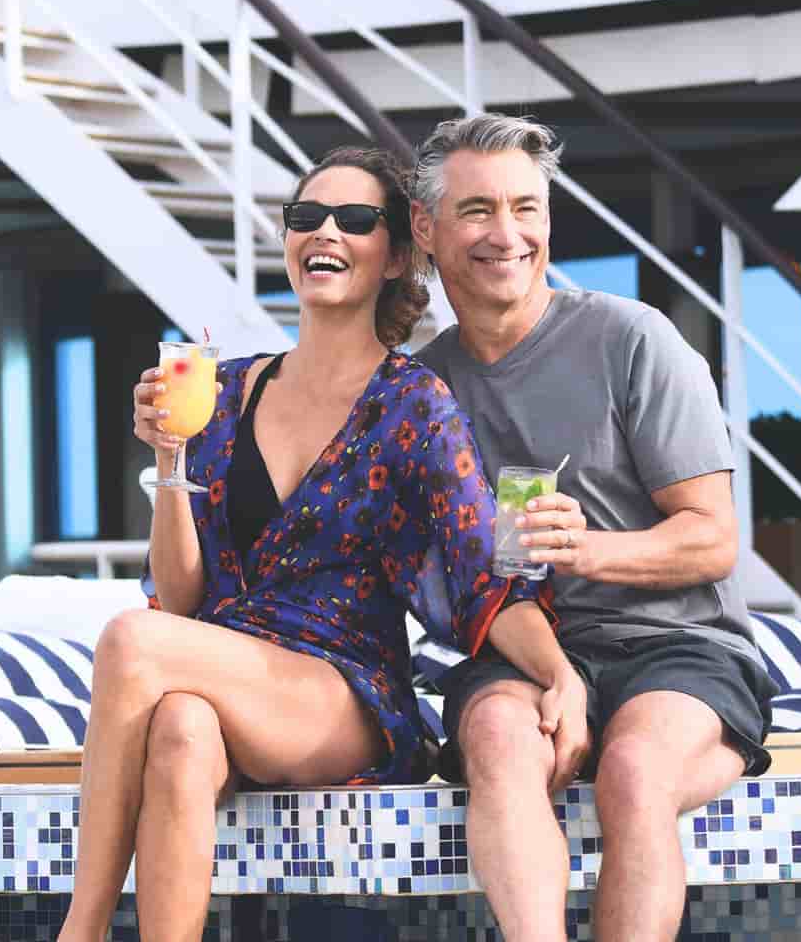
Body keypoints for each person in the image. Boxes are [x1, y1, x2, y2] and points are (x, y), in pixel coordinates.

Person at [54, 146, 553, 942]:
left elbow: (480, 570)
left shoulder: (414, 404)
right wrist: (171, 458)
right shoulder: (222, 390)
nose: (326, 232)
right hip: (227, 669)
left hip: (344, 690)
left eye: (355, 220)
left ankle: (78, 931)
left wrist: (560, 677)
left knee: (128, 639)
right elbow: (179, 601)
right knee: (180, 729)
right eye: (306, 216)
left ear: (396, 256)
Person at [409, 114, 776, 942]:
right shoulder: (422, 390)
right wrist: (558, 675)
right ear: (426, 229)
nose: (507, 234)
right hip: (526, 650)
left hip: (679, 646)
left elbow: (713, 540)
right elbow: (470, 585)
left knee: (635, 772)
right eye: (477, 210)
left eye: (526, 208)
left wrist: (586, 549)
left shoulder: (631, 339)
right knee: (499, 741)